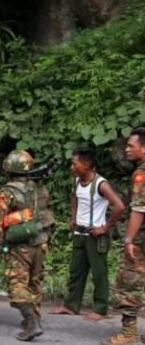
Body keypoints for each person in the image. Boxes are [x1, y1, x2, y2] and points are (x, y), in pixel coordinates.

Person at [0, 150, 55, 341]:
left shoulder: (7, 192)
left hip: (19, 246)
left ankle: (31, 322)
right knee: (34, 282)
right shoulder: (39, 188)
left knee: (16, 284)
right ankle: (33, 319)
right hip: (40, 242)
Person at [50, 147, 124, 321]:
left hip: (95, 235)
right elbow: (75, 198)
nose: (71, 167)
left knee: (99, 273)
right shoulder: (77, 181)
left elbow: (119, 206)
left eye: (74, 164)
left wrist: (105, 227)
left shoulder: (100, 184)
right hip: (79, 233)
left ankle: (101, 308)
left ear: (87, 164)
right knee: (76, 271)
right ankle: (70, 305)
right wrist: (72, 217)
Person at [103, 128, 145, 345]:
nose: (127, 149)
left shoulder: (141, 174)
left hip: (141, 240)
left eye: (131, 145)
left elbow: (139, 209)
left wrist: (129, 239)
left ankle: (129, 333)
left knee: (128, 283)